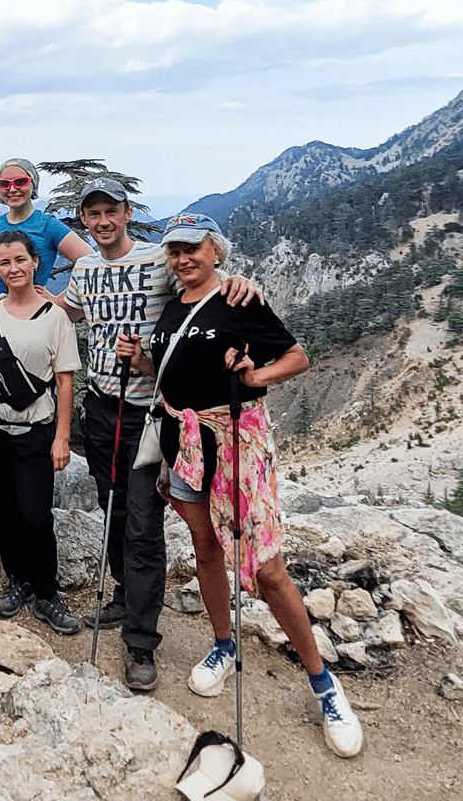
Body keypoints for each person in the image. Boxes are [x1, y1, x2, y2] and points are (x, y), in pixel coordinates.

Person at [124, 213, 363, 758]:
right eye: (176, 251)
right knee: (205, 549)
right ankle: (223, 645)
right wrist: (137, 357)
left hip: (234, 441)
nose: (184, 259)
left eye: (194, 250)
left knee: (266, 567)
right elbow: (168, 364)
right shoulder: (171, 308)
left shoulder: (239, 300)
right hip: (183, 444)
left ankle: (325, 685)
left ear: (217, 252)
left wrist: (256, 379)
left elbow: (297, 357)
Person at [44, 180, 258, 692]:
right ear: (84, 220)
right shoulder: (84, 269)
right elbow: (60, 312)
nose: (102, 221)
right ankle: (124, 594)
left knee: (142, 521)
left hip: (153, 414)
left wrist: (241, 284)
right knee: (111, 507)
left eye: (111, 211)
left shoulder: (157, 261)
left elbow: (202, 277)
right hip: (100, 407)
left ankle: (141, 642)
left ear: (126, 212)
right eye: (92, 214)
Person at [0, 230, 82, 637]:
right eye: (5, 263)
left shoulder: (56, 317)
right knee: (3, 510)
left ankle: (46, 592)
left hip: (34, 430)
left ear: (35, 263)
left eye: (20, 260)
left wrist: (62, 438)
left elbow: (65, 382)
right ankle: (17, 580)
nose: (13, 268)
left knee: (35, 514)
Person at [0, 159, 92, 337]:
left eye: (20, 182)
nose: (12, 188)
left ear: (33, 184)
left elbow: (90, 262)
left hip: (32, 318)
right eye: (4, 184)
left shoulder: (48, 225)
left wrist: (59, 300)